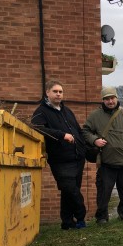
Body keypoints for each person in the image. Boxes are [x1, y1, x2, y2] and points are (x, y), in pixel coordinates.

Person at [32, 80, 87, 230]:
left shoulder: (66, 110)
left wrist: (83, 146)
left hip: (77, 157)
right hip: (60, 160)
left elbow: (78, 130)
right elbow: (37, 129)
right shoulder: (41, 112)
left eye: (60, 92)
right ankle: (81, 215)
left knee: (68, 192)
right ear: (47, 93)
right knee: (72, 190)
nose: (58, 94)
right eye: (55, 91)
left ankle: (67, 222)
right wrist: (62, 135)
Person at [82, 87, 123, 223]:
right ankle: (102, 216)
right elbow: (85, 131)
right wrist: (94, 140)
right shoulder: (95, 116)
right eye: (107, 99)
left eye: (112, 98)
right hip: (106, 162)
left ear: (117, 98)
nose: (110, 101)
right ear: (103, 100)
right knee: (104, 192)